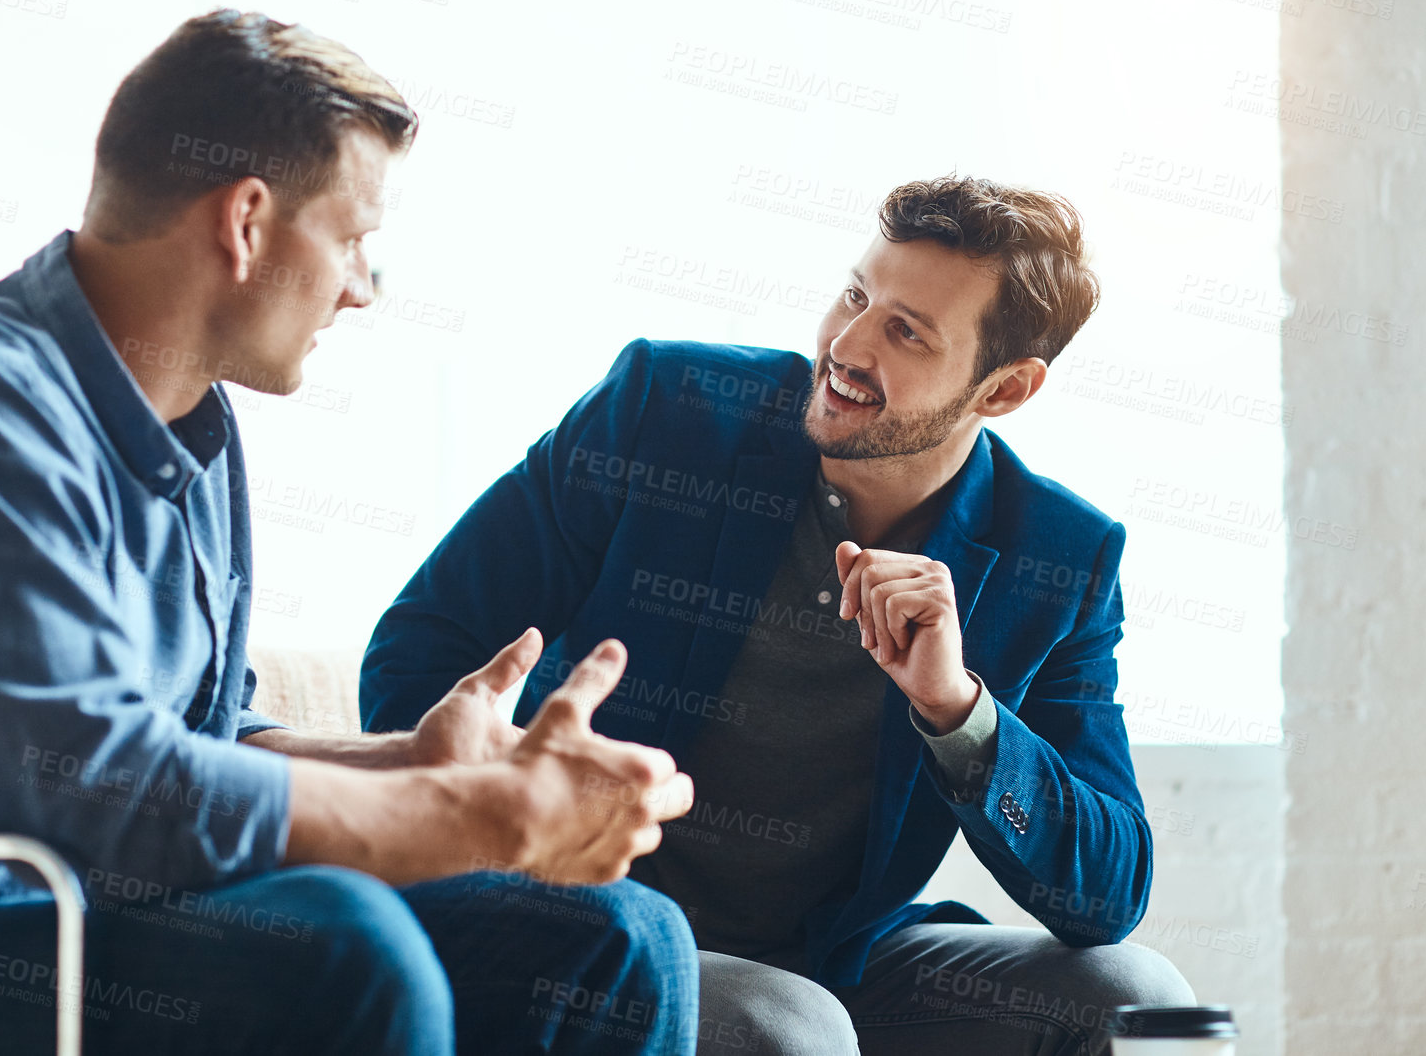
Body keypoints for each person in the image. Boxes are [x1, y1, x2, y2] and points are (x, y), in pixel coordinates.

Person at [0, 9, 697, 1055]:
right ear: (246, 222)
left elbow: (199, 729)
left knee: (614, 939)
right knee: (339, 946)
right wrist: (478, 816)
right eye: (354, 238)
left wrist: (409, 764)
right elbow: (98, 781)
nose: (362, 289)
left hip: (109, 913)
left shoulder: (192, 423)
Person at [362, 176, 1197, 1054]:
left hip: (835, 955)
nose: (847, 343)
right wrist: (504, 825)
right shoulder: (667, 408)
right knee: (788, 1029)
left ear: (1004, 390)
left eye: (905, 331)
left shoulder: (1059, 557)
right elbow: (421, 646)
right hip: (592, 923)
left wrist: (960, 711)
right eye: (856, 294)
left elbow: (1107, 895)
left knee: (1147, 1006)